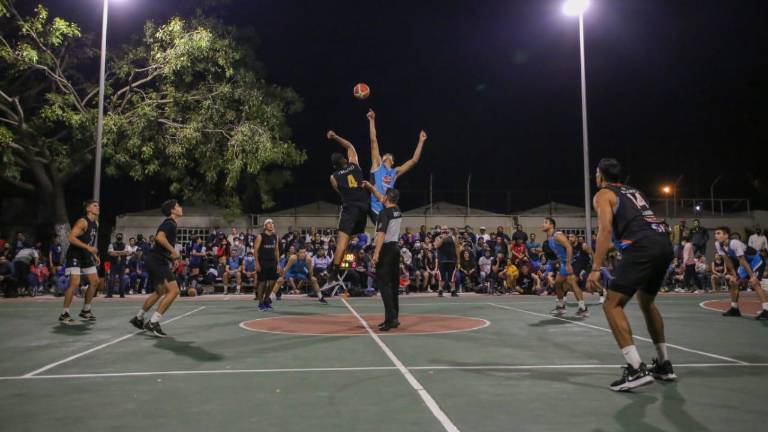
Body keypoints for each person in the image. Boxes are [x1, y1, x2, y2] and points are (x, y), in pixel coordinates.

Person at [587, 158, 675, 392]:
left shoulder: (603, 194)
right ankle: (664, 364)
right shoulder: (634, 191)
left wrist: (596, 268)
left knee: (611, 304)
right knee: (646, 301)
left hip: (642, 246)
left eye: (596, 173)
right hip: (663, 244)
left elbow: (605, 229)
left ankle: (636, 369)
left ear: (600, 175)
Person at [129, 200, 184, 337]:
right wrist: (173, 251)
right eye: (178, 206)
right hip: (157, 261)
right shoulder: (169, 223)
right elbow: (159, 238)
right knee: (174, 291)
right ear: (172, 210)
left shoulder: (170, 223)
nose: (180, 208)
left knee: (160, 291)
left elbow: (160, 246)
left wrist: (172, 258)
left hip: (155, 260)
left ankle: (139, 318)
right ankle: (153, 322)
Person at [366, 109, 426, 224]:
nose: (386, 155)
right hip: (376, 207)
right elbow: (373, 141)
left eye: (389, 155)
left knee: (389, 238)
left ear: (392, 161)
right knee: (382, 235)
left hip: (389, 208)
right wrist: (372, 120)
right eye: (385, 155)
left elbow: (414, 160)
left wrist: (421, 141)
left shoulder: (395, 171)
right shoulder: (377, 165)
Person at [326, 130, 369, 284]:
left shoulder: (333, 177)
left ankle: (334, 271)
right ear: (345, 159)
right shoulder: (355, 164)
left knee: (342, 242)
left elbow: (339, 191)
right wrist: (335, 136)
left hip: (350, 208)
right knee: (351, 236)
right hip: (363, 207)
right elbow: (350, 146)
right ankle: (337, 263)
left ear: (334, 166)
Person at [365, 181, 402, 331]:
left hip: (386, 249)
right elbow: (381, 198)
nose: (382, 198)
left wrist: (376, 254)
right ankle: (393, 317)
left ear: (387, 198)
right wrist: (371, 187)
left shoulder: (384, 213)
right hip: (396, 249)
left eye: (384, 196)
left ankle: (391, 320)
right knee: (393, 285)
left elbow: (381, 234)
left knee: (383, 284)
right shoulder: (397, 210)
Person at [59, 200, 100, 324]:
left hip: (86, 255)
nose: (98, 208)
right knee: (75, 283)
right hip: (75, 255)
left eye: (98, 206)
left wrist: (94, 254)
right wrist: (88, 248)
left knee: (95, 281)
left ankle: (86, 310)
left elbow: (90, 241)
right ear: (88, 209)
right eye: (95, 206)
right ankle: (64, 313)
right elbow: (71, 237)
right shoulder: (83, 221)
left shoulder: (96, 223)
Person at [714, 226, 768, 319]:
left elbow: (742, 261)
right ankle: (734, 309)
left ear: (726, 235)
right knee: (733, 282)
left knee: (754, 283)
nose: (716, 235)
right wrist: (734, 274)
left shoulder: (734, 243)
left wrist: (752, 276)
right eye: (715, 234)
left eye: (718, 233)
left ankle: (766, 310)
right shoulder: (718, 244)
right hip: (744, 263)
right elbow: (727, 260)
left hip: (756, 260)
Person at [542, 217, 589, 318]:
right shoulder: (550, 239)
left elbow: (569, 247)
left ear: (551, 225)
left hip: (572, 262)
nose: (543, 224)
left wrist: (568, 264)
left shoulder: (557, 235)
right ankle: (561, 306)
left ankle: (583, 309)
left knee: (572, 283)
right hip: (564, 263)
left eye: (545, 222)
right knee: (558, 284)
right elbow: (561, 252)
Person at [254, 219, 280, 310]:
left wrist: (278, 263)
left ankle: (266, 300)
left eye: (272, 223)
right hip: (263, 262)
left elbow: (276, 250)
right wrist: (257, 263)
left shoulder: (275, 236)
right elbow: (256, 251)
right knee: (262, 283)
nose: (271, 225)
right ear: (265, 226)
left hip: (272, 262)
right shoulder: (260, 236)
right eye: (269, 223)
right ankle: (260, 303)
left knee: (273, 282)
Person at [434, 225, 461, 297]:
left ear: (448, 230)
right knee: (441, 277)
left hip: (452, 260)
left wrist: (458, 260)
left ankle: (453, 291)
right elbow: (436, 246)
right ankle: (440, 291)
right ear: (441, 231)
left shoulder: (453, 237)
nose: (445, 231)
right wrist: (443, 238)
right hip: (442, 260)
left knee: (452, 277)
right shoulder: (438, 237)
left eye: (446, 229)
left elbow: (457, 248)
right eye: (443, 230)